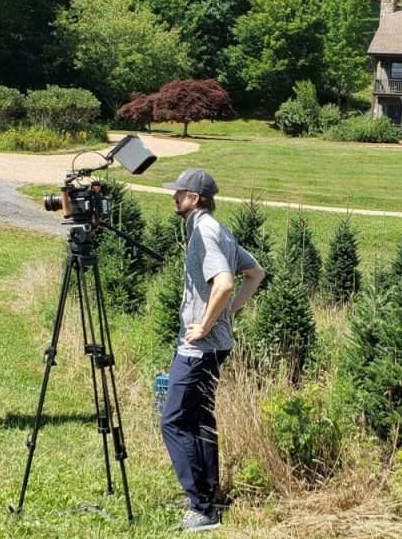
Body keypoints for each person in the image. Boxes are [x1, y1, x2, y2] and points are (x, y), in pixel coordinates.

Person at [160, 168, 265, 532]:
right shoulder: (217, 229)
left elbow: (224, 282)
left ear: (194, 198)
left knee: (173, 420)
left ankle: (201, 507)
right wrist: (231, 313)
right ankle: (209, 496)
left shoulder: (204, 231)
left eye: (179, 192)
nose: (173, 196)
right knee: (200, 419)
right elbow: (256, 273)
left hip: (200, 347)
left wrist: (205, 324)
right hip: (215, 346)